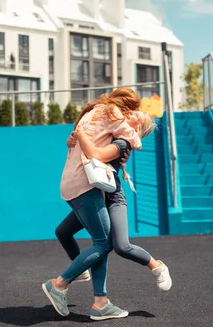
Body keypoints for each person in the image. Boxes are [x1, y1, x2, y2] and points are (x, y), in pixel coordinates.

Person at [42, 88, 143, 321]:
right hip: (86, 185)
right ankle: (59, 285)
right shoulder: (113, 112)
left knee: (100, 241)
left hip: (70, 183)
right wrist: (128, 142)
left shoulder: (90, 112)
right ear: (126, 107)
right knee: (104, 243)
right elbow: (134, 139)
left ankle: (101, 302)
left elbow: (72, 141)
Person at [56, 111, 172, 293]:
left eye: (135, 115)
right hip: (94, 196)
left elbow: (95, 154)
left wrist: (80, 133)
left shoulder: (123, 142)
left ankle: (158, 267)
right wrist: (72, 140)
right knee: (63, 232)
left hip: (112, 198)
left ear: (136, 127)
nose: (129, 112)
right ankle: (82, 273)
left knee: (121, 246)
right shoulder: (112, 134)